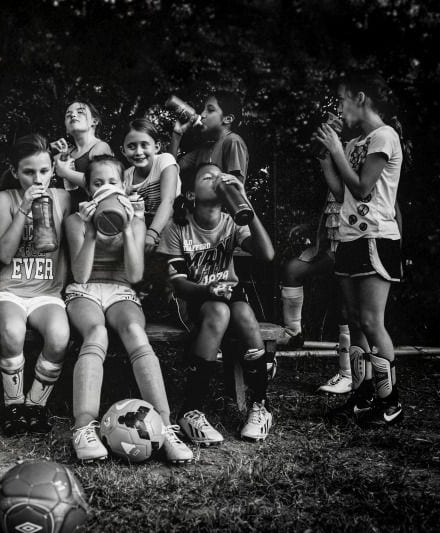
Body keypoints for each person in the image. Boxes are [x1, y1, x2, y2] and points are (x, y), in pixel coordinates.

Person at [64, 155, 192, 464]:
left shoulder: (135, 218)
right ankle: (84, 428)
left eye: (112, 182)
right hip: (85, 290)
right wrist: (92, 229)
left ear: (123, 185)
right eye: (98, 183)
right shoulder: (75, 220)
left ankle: (165, 426)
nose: (106, 188)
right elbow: (80, 275)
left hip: (122, 290)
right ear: (88, 189)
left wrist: (130, 224)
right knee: (96, 333)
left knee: (135, 332)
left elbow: (135, 276)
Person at [315, 71, 409, 426]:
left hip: (377, 238)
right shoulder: (356, 144)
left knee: (371, 321)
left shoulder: (385, 136)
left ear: (359, 97)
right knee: (355, 322)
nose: (340, 108)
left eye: (341, 100)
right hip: (350, 238)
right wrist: (328, 161)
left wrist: (338, 150)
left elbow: (365, 188)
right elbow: (345, 195)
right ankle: (363, 396)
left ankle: (391, 401)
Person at [158, 162, 275, 444]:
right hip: (191, 296)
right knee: (220, 311)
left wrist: (246, 203)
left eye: (220, 175)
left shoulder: (231, 221)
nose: (217, 179)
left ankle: (261, 405)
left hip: (224, 293)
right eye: (207, 177)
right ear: (190, 195)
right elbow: (178, 283)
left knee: (245, 314)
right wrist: (207, 289)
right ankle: (190, 409)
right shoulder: (177, 227)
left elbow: (267, 254)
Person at [0, 134, 71, 435]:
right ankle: (13, 405)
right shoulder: (6, 199)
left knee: (60, 337)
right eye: (28, 172)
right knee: (12, 331)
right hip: (10, 290)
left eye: (43, 171)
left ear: (53, 169)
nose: (37, 179)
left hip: (47, 292)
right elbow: (3, 253)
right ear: (14, 171)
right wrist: (23, 208)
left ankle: (35, 405)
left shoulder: (63, 198)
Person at [278, 193, 353, 394]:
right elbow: (331, 211)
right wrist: (310, 227)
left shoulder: (361, 169)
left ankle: (348, 373)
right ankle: (294, 333)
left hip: (354, 247)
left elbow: (390, 208)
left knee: (345, 306)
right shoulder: (337, 171)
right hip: (330, 246)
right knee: (293, 270)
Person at [121, 118, 182, 317]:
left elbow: (168, 202)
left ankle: (166, 299)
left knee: (161, 246)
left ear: (156, 146)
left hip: (172, 224)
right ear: (123, 151)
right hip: (143, 228)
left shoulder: (165, 161)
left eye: (144, 145)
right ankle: (139, 297)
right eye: (131, 146)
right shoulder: (127, 176)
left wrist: (152, 233)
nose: (138, 152)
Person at [169, 91, 249, 184]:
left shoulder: (233, 141)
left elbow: (236, 188)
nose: (202, 114)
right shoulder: (203, 150)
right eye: (203, 109)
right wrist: (177, 134)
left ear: (227, 119)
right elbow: (170, 170)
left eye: (210, 110)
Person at [50, 100, 113, 206]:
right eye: (68, 115)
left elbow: (102, 184)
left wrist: (65, 172)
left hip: (94, 212)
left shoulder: (99, 147)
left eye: (80, 112)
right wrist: (51, 150)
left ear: (94, 121)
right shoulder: (68, 152)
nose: (73, 115)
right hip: (68, 212)